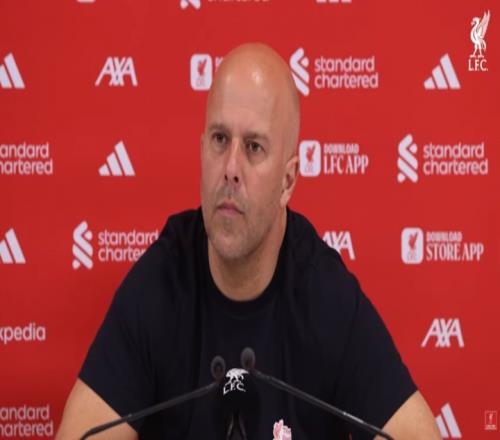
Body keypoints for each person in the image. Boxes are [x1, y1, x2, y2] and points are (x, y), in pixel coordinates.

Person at [56, 43, 441, 439]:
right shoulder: (162, 280)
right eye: (220, 139)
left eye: (254, 147)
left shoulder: (324, 294)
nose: (230, 169)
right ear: (202, 150)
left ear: (287, 181)